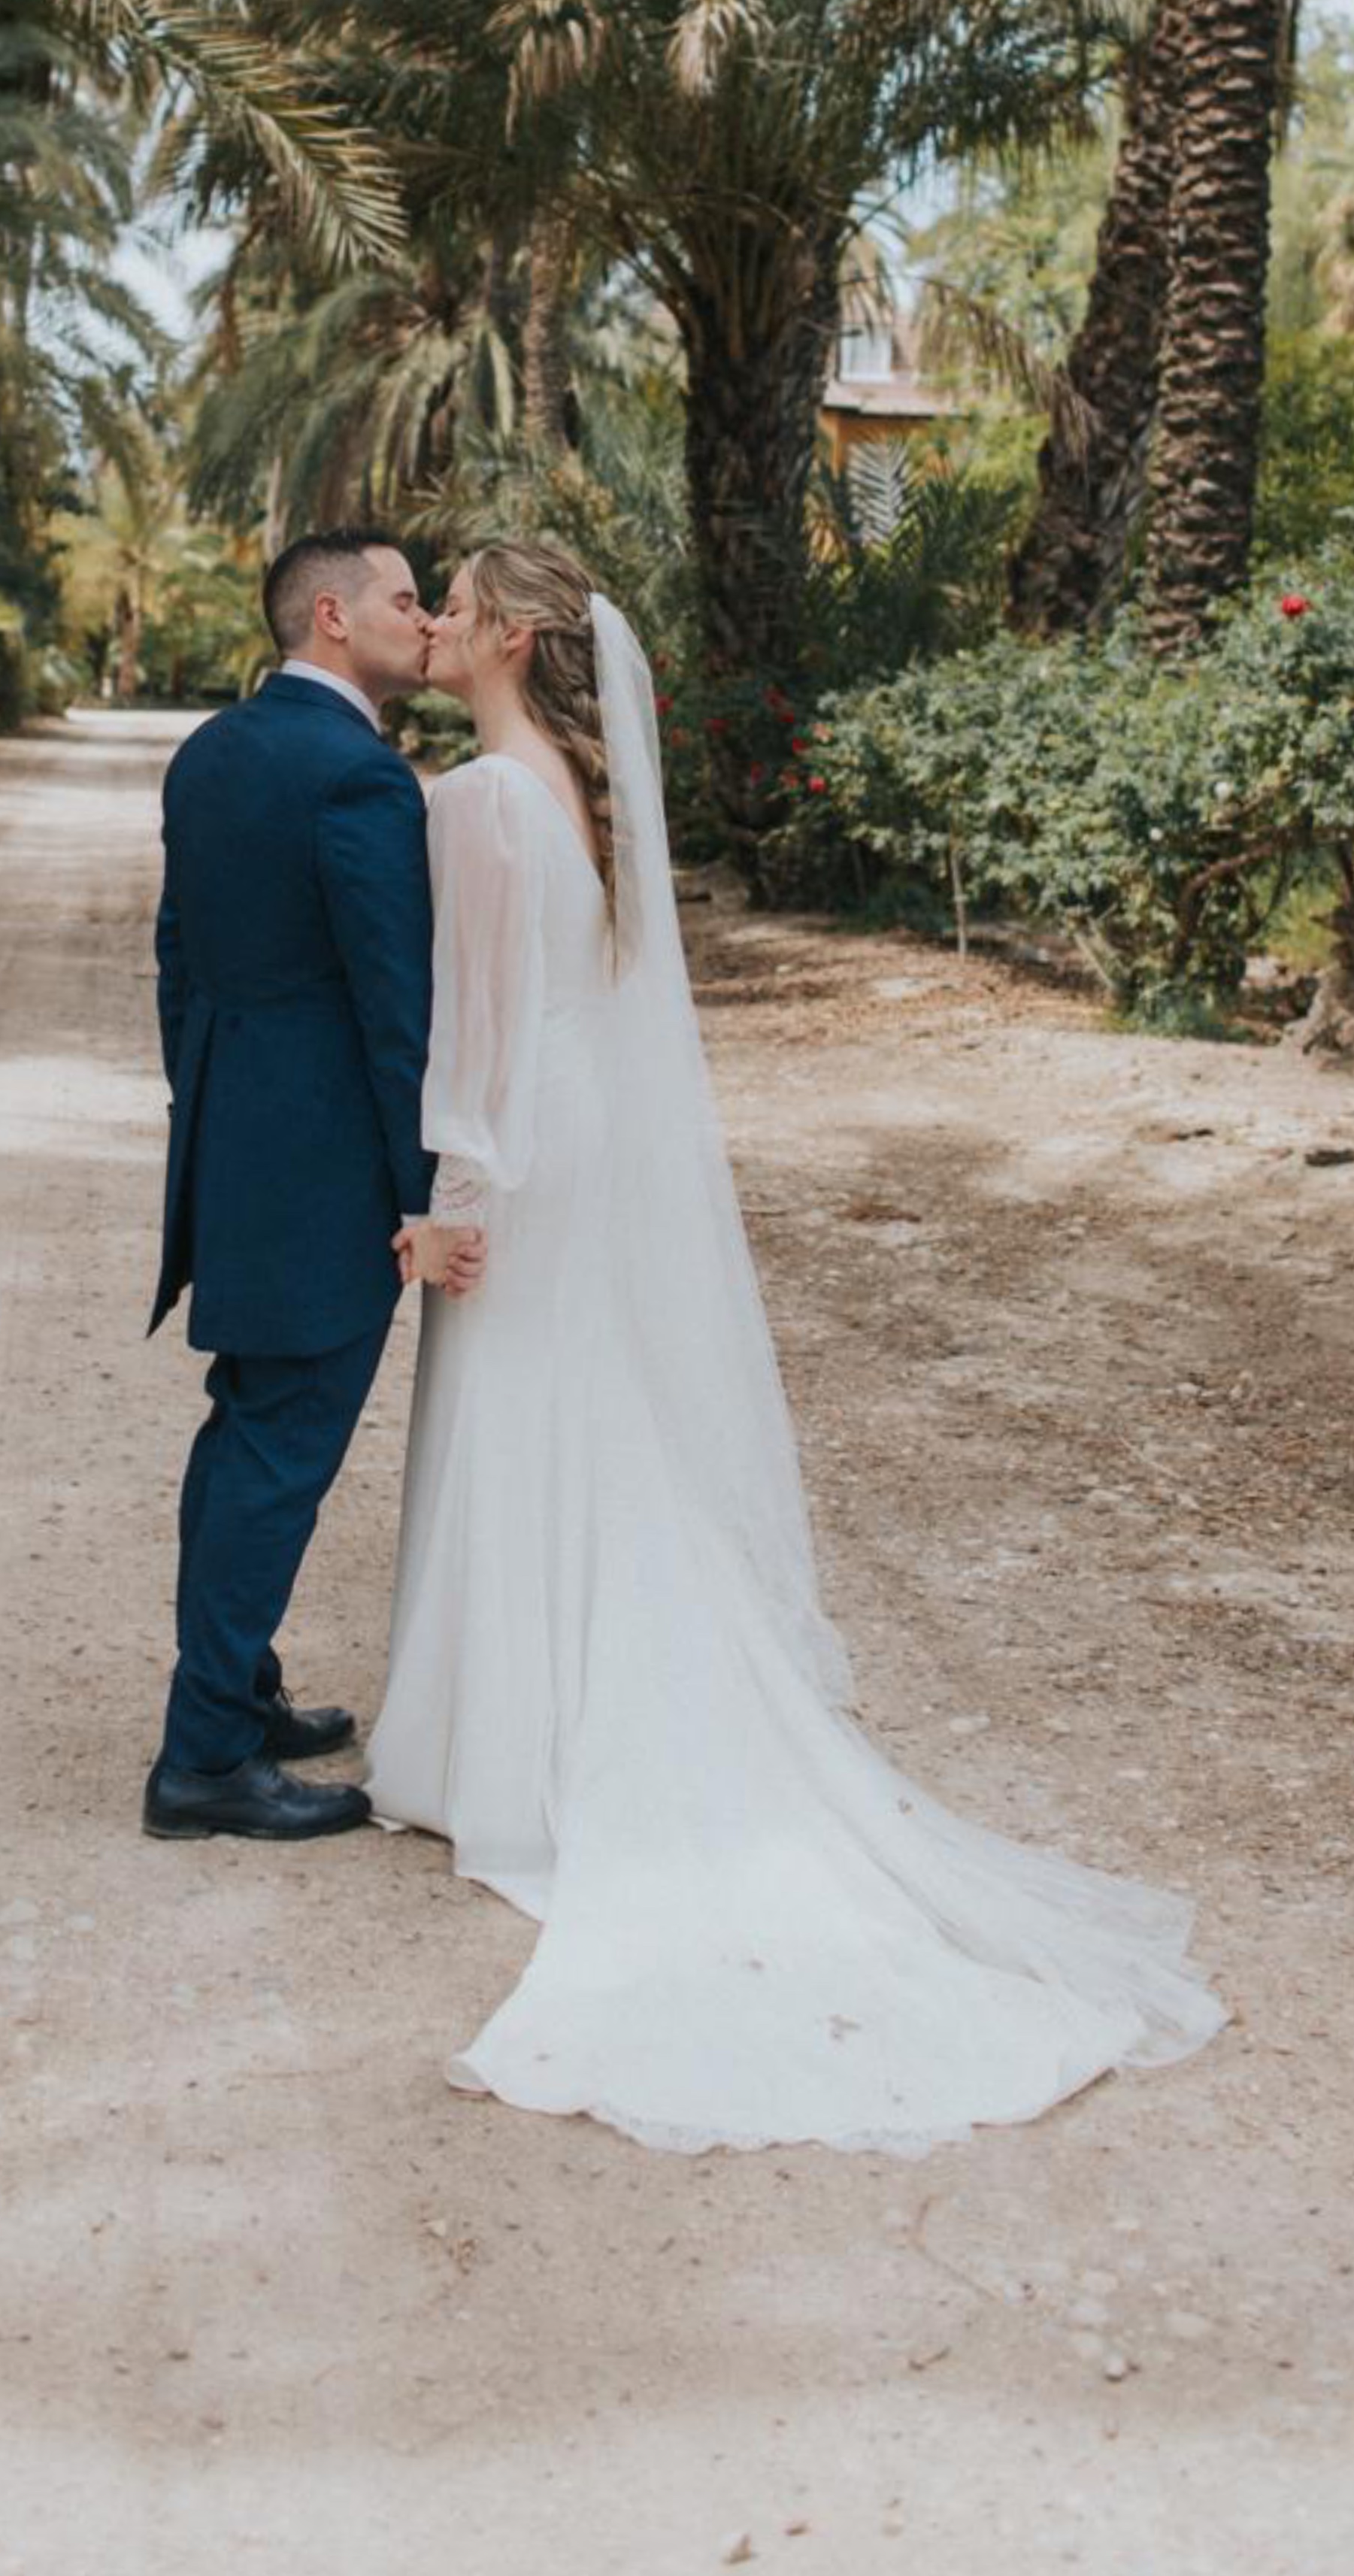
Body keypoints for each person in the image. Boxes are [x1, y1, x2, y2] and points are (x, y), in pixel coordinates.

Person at [368, 541, 1226, 2153]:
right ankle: (538, 1714)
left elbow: (471, 1022)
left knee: (526, 1405)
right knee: (586, 1410)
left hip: (528, 1143)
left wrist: (452, 1187)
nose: (437, 621)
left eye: (460, 602)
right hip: (594, 1127)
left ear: (521, 633)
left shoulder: (475, 798)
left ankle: (518, 1745)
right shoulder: (566, 780)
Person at [142, 529, 479, 1845]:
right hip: (323, 1164)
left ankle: (241, 1691)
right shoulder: (360, 777)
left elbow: (180, 959)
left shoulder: (211, 750)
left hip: (238, 1140)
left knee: (247, 1428)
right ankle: (204, 1761)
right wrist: (425, 1190)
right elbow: (397, 1008)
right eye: (405, 599)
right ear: (332, 617)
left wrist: (214, 1100)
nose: (423, 617)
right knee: (279, 1449)